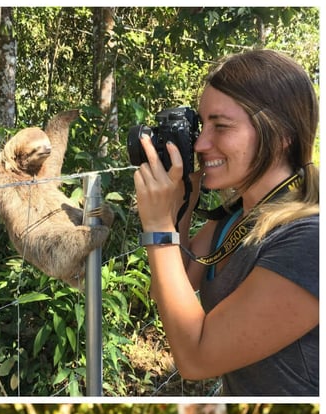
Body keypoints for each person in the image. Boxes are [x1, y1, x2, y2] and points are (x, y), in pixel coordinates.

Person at [134, 49, 318, 395]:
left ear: (281, 134)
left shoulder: (309, 240)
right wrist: (182, 200)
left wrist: (158, 224)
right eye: (202, 126)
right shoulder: (235, 218)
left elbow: (195, 360)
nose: (202, 143)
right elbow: (172, 289)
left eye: (221, 126)